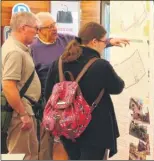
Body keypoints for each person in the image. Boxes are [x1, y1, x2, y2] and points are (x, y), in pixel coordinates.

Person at [30, 12, 129, 160]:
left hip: (68, 127)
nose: (104, 46)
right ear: (94, 42)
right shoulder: (100, 65)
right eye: (103, 42)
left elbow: (48, 93)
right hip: (96, 130)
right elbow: (118, 87)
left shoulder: (59, 62)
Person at [1, 12, 41, 160]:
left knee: (28, 154)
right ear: (24, 28)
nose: (37, 33)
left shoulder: (17, 48)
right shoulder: (15, 52)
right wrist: (23, 114)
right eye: (36, 28)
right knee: (20, 156)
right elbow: (8, 85)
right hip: (20, 112)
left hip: (23, 109)